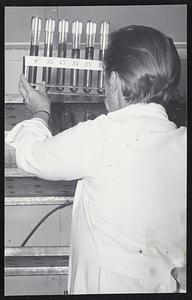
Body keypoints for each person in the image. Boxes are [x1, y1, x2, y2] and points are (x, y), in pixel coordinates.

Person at [6, 25, 186, 294]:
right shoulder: (183, 142)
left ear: (113, 80)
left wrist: (41, 110)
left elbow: (32, 156)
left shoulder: (102, 135)